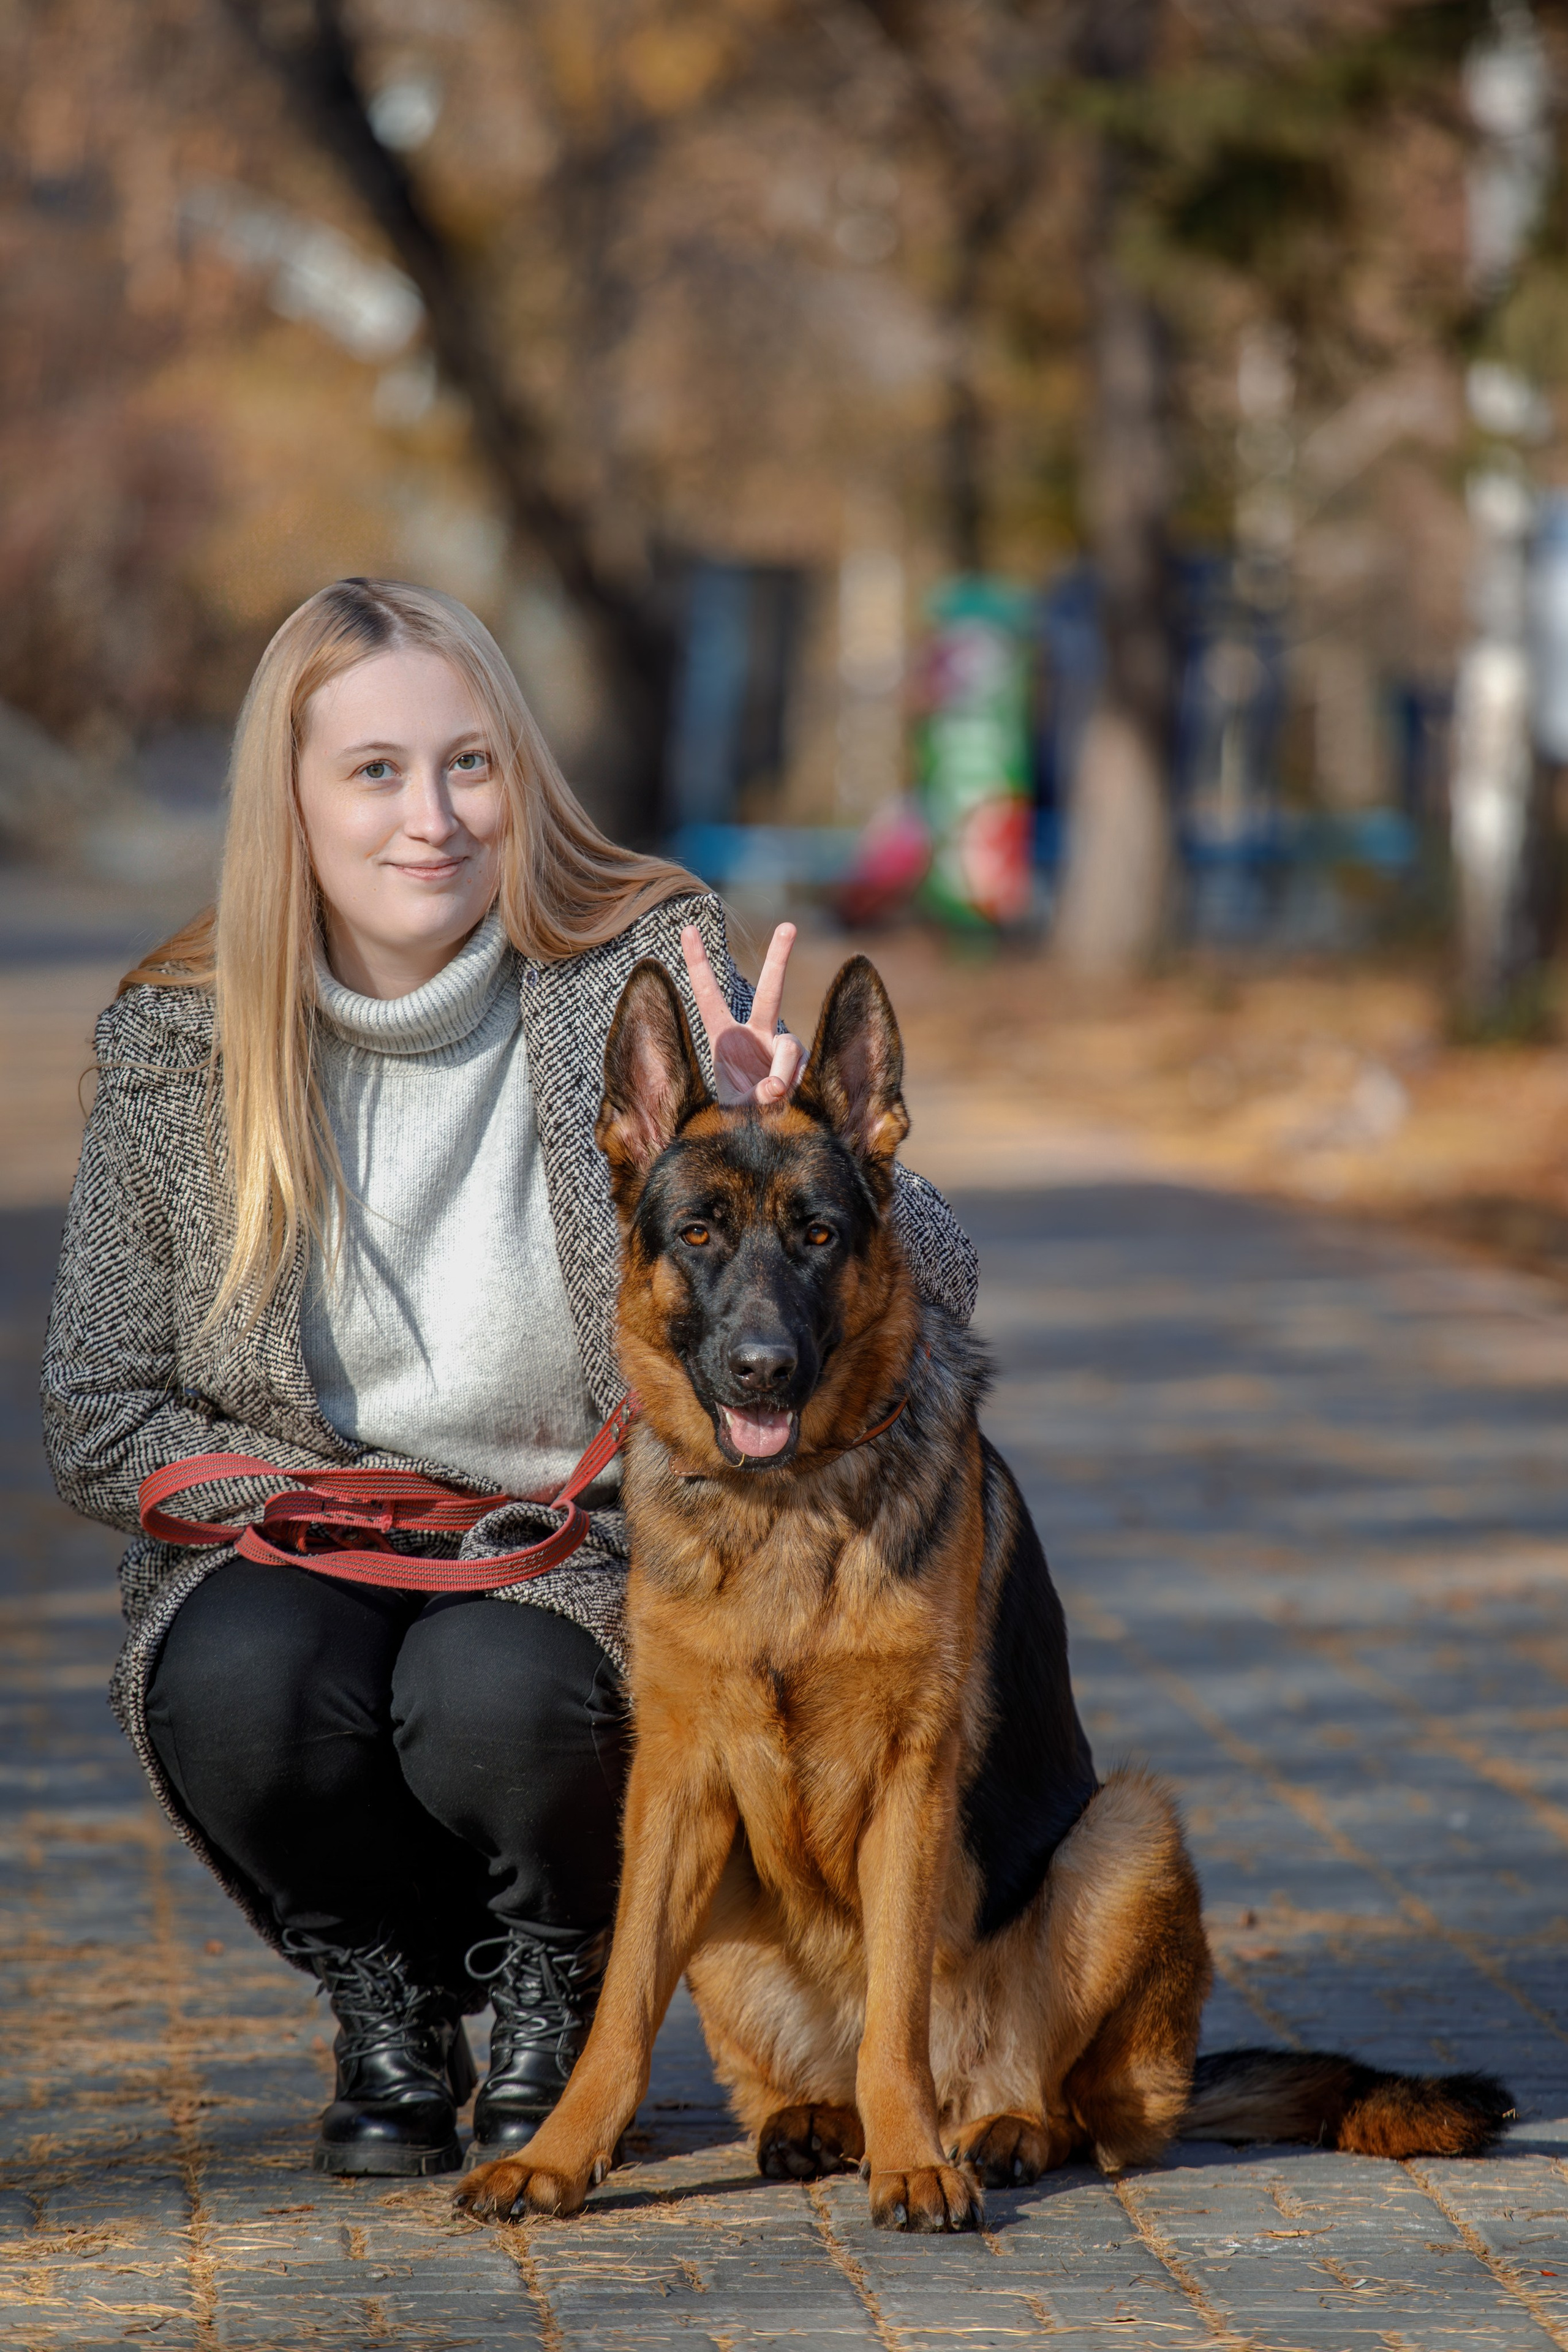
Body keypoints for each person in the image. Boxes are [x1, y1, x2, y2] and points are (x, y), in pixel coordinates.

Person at [42, 576, 978, 2180]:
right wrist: (349, 1517)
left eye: (470, 764)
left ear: (519, 778)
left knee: (493, 1697)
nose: (434, 818)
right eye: (378, 771)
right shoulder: (176, 1038)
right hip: (301, 1538)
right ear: (292, 800)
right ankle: (389, 1999)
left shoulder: (638, 959)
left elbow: (934, 1295)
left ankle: (551, 1983)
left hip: (578, 1550)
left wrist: (783, 1133)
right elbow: (95, 1407)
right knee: (239, 1689)